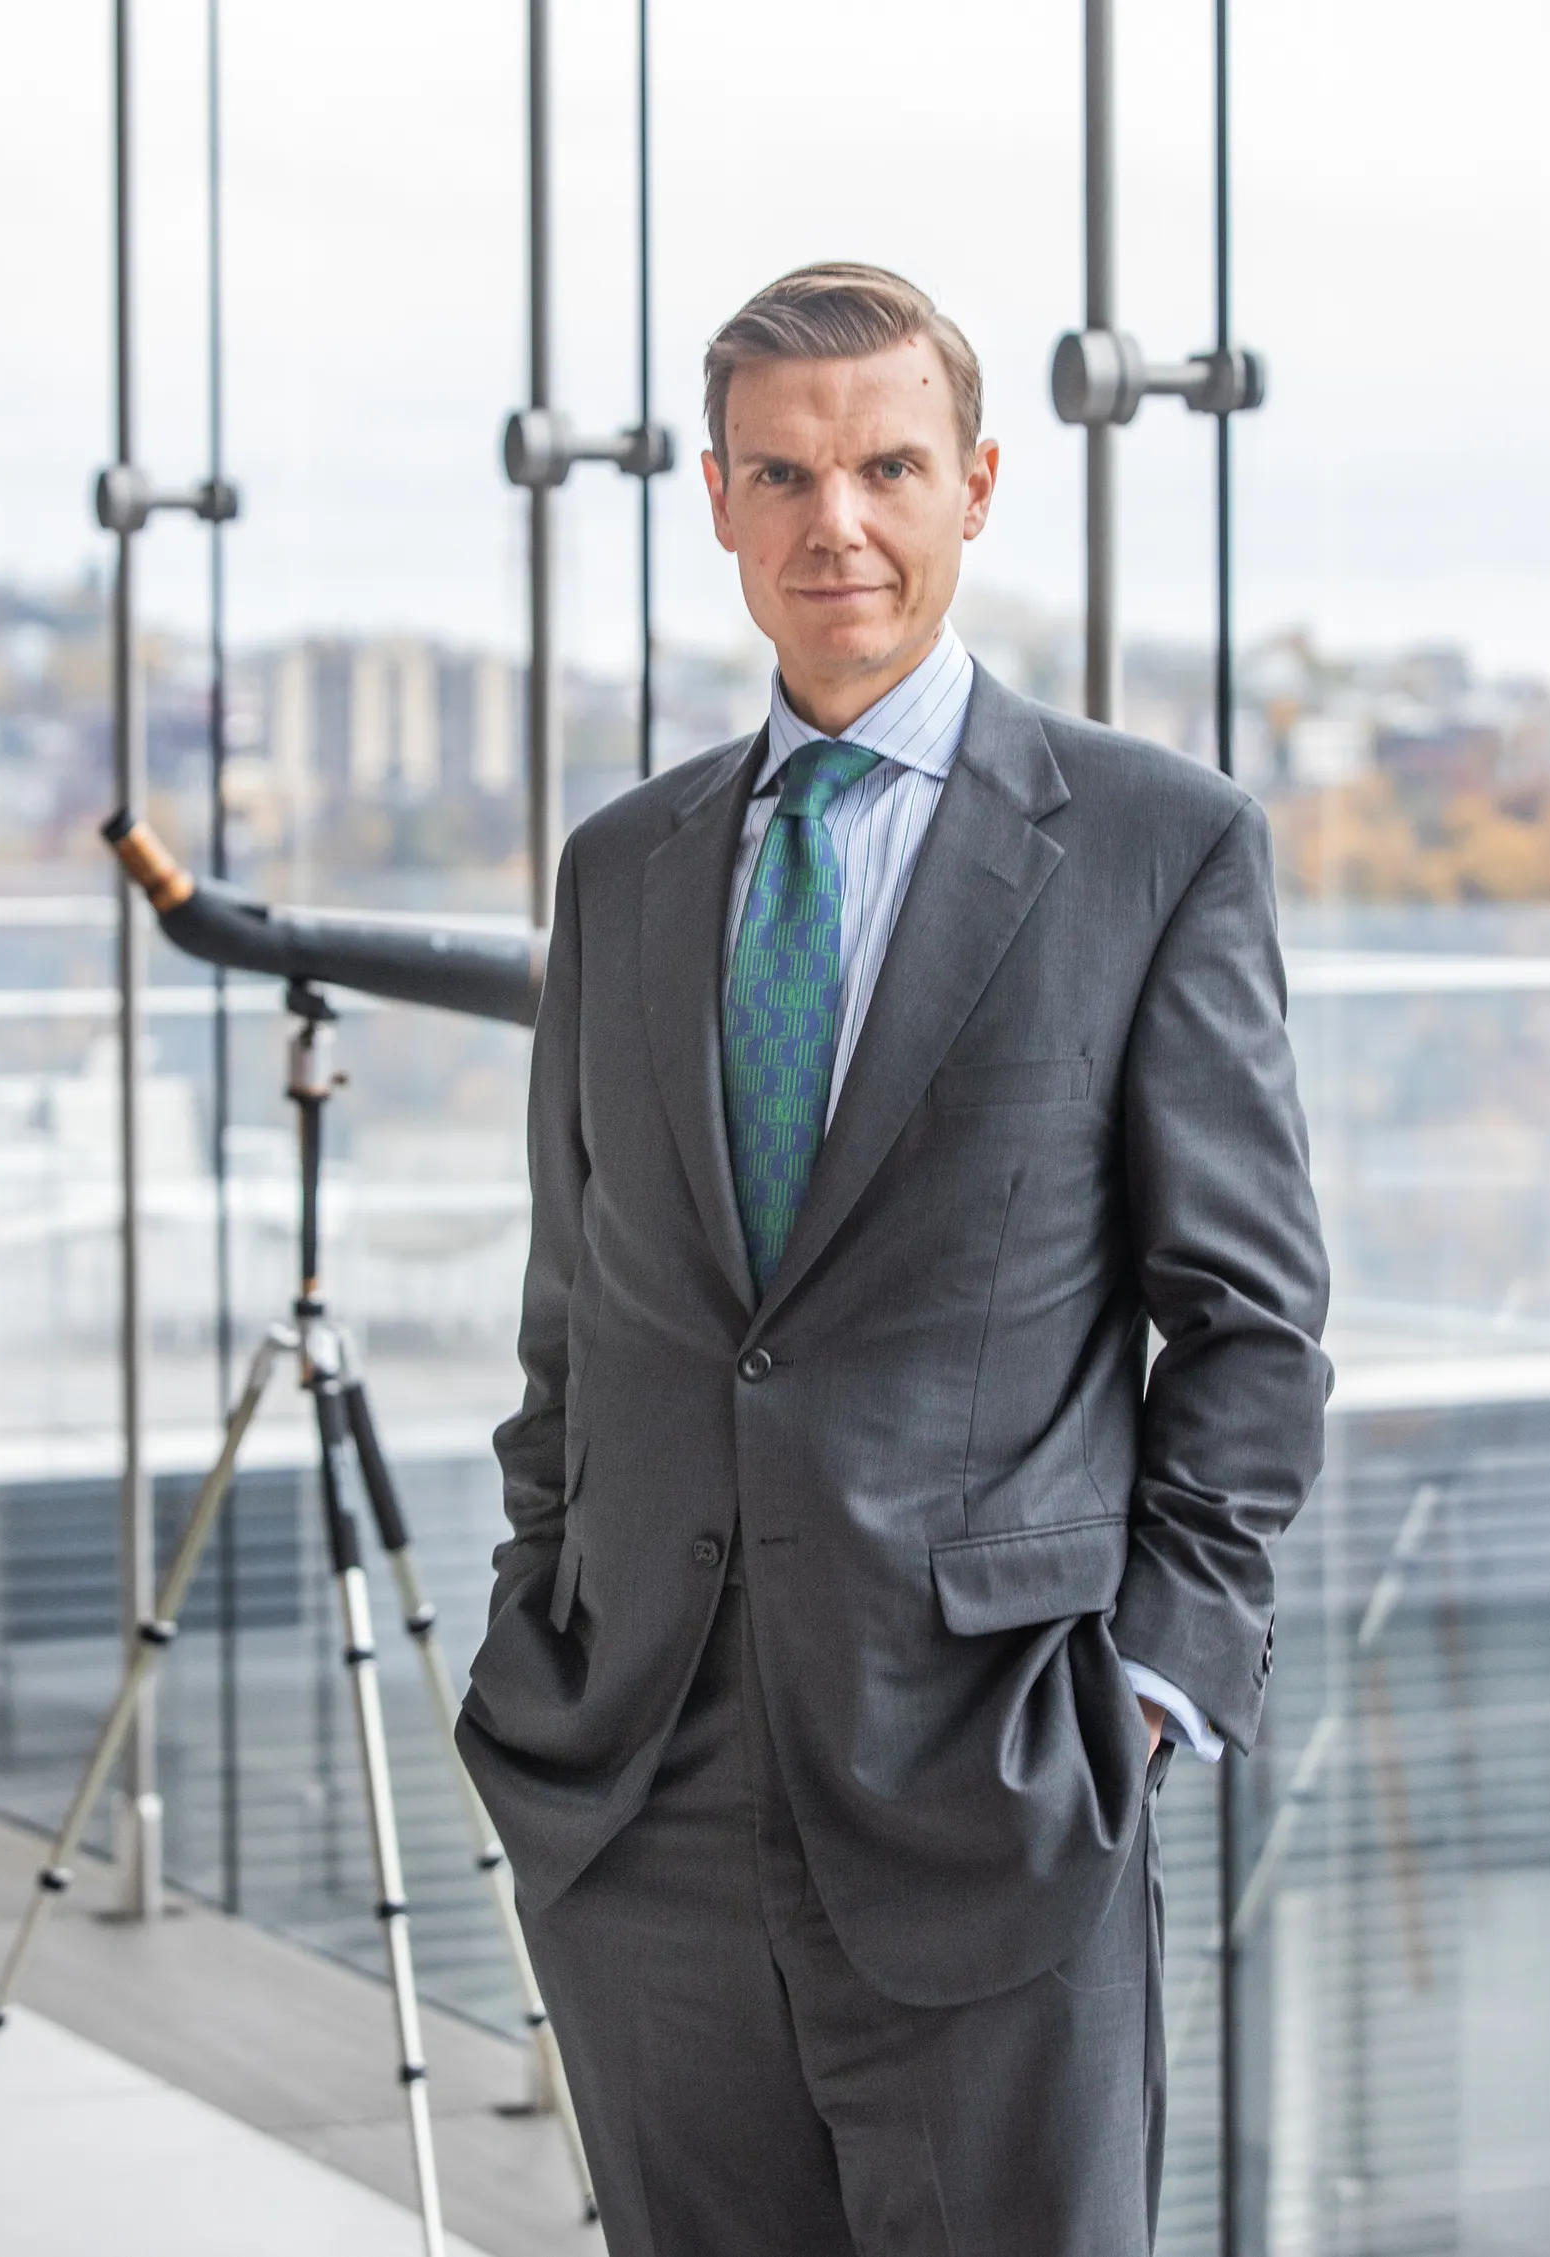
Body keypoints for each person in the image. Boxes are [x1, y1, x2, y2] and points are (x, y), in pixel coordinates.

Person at [457, 261, 1330, 2256]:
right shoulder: (620, 870)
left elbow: (1248, 1321)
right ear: (712, 501)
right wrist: (543, 1614)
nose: (829, 521)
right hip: (641, 1789)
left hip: (995, 1779)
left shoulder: (1148, 844)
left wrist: (1146, 1698)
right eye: (779, 475)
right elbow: (575, 1314)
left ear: (973, 485)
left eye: (881, 467)